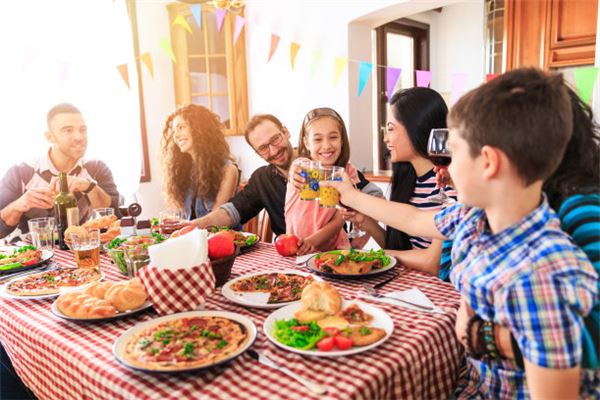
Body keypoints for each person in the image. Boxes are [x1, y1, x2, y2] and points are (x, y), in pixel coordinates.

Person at [321, 68, 598, 398]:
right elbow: (412, 218)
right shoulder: (473, 215)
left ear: (489, 162)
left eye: (455, 152)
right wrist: (351, 196)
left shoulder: (541, 274)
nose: (446, 166)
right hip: (476, 381)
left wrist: (480, 335)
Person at [191, 114, 382, 240]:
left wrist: (356, 243)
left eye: (275, 139)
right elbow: (232, 211)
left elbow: (373, 198)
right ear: (258, 154)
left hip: (330, 255)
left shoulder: (324, 163)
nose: (274, 150)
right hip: (290, 258)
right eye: (264, 148)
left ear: (286, 132)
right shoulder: (261, 179)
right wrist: (193, 225)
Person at [340, 88, 456, 274]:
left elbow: (431, 262)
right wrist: (366, 221)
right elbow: (400, 247)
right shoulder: (408, 180)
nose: (386, 138)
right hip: (410, 284)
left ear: (416, 127)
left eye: (391, 129)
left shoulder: (449, 184)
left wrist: (374, 256)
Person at [0, 103, 119, 239]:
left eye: (83, 129)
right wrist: (17, 206)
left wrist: (89, 186)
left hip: (82, 250)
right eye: (68, 130)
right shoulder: (20, 173)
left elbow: (116, 216)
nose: (79, 137)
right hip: (35, 254)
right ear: (50, 137)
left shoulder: (96, 168)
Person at [285, 107, 356, 253]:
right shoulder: (303, 167)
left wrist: (312, 241)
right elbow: (296, 168)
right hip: (296, 249)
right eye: (317, 139)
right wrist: (293, 172)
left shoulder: (347, 172)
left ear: (342, 140)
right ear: (306, 142)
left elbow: (339, 220)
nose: (326, 145)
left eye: (333, 137)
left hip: (335, 251)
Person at [160, 104, 239, 221]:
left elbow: (216, 222)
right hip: (194, 236)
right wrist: (174, 221)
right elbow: (185, 217)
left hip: (219, 237)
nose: (176, 136)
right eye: (173, 131)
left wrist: (181, 224)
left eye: (181, 127)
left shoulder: (228, 170)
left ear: (199, 129)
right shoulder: (183, 172)